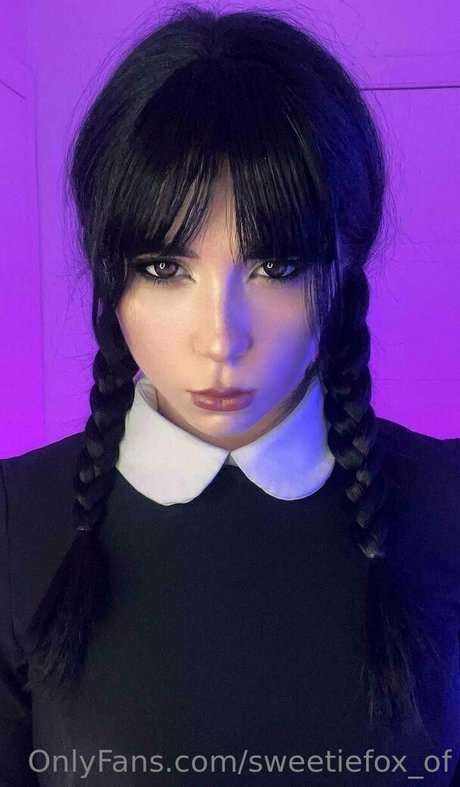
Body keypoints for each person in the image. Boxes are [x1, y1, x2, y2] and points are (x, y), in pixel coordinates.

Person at [1, 4, 459, 786]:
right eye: (164, 267)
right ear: (109, 272)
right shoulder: (17, 522)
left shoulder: (445, 501)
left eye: (275, 267)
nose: (221, 338)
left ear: (347, 262)